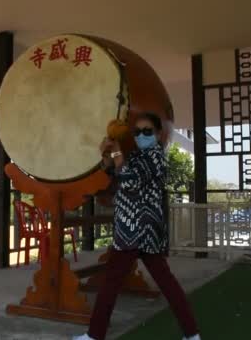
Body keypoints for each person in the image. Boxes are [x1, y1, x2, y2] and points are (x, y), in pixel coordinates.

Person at [73, 112, 201, 340]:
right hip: (141, 229)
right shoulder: (140, 156)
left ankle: (94, 336)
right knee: (166, 283)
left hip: (136, 228)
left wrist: (116, 153)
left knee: (112, 282)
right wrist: (107, 157)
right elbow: (115, 177)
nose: (142, 135)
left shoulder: (155, 156)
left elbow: (130, 180)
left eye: (147, 131)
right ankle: (192, 335)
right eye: (137, 132)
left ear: (159, 134)